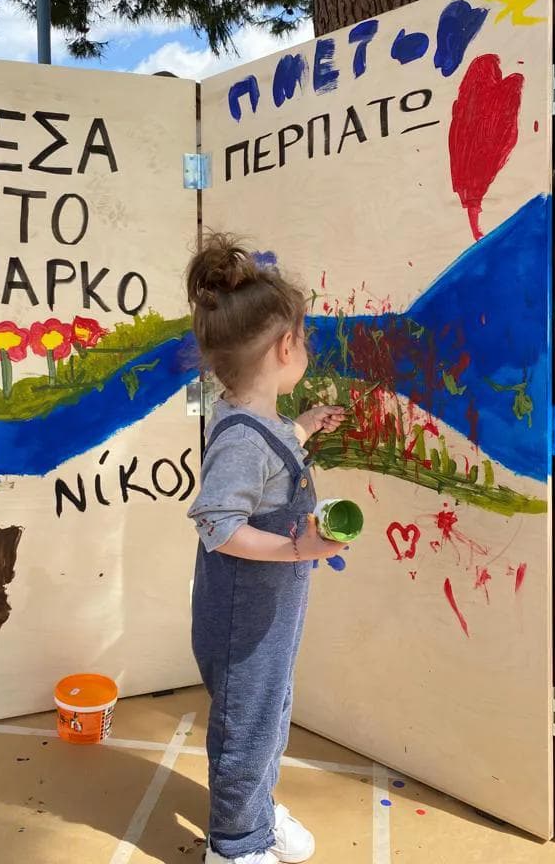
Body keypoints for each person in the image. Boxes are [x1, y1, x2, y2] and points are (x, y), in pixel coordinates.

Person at [186, 233, 346, 864]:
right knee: (246, 727)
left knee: (270, 713)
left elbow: (266, 465)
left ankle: (255, 812)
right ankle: (234, 844)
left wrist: (302, 431)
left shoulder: (259, 421)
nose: (302, 346)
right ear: (286, 348)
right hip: (243, 616)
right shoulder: (241, 439)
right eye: (302, 338)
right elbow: (219, 524)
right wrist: (296, 548)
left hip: (270, 612)